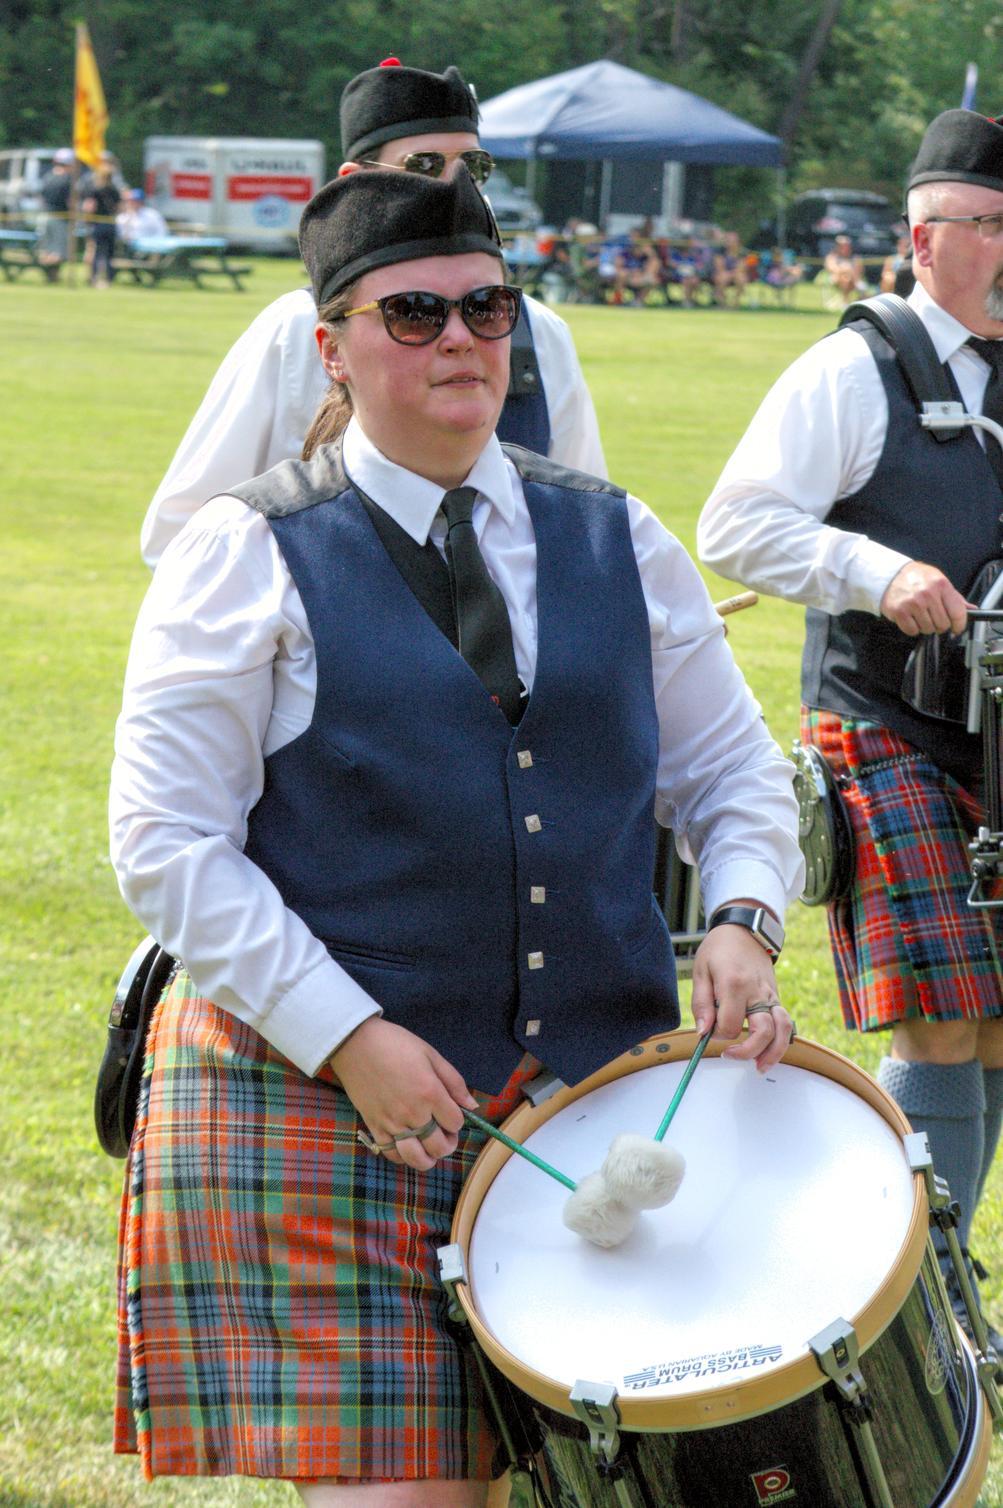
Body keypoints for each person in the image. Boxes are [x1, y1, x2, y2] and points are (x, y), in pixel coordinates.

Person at [110, 163, 802, 1502]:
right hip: (323, 1099)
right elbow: (164, 839)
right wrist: (349, 1039)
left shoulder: (621, 540)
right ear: (332, 345)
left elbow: (730, 772)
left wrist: (741, 916)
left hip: (587, 1101)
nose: (459, 342)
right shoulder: (241, 555)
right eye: (413, 314)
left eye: (488, 311)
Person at [698, 107, 1003, 1354]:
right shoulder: (852, 367)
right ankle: (899, 1304)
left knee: (991, 1026)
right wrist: (876, 570)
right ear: (923, 240)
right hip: (885, 728)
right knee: (941, 1018)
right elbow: (736, 523)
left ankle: (937, 1287)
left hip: (995, 738)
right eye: (987, 227)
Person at [139, 58, 606, 570]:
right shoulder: (294, 328)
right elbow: (183, 533)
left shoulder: (540, 331)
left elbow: (584, 526)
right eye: (424, 165)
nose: (456, 185)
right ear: (353, 179)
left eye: (473, 167)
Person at [36, 147, 74, 281]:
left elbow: (41, 198)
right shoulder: (68, 179)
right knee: (58, 252)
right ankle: (51, 274)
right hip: (59, 218)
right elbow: (70, 202)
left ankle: (52, 277)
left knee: (46, 250)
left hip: (43, 217)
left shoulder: (47, 177)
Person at [81, 161, 120, 287]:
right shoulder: (114, 190)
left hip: (97, 224)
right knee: (109, 254)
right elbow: (119, 208)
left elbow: (89, 207)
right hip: (111, 223)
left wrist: (86, 220)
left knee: (96, 252)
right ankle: (108, 279)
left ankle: (94, 278)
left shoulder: (94, 190)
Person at [823, 232, 866, 305]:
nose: (845, 248)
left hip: (853, 279)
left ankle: (849, 302)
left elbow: (860, 270)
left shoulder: (855, 258)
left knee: (847, 278)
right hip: (836, 278)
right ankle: (846, 301)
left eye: (847, 246)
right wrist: (846, 269)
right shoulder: (832, 257)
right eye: (843, 246)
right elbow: (833, 269)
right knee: (846, 278)